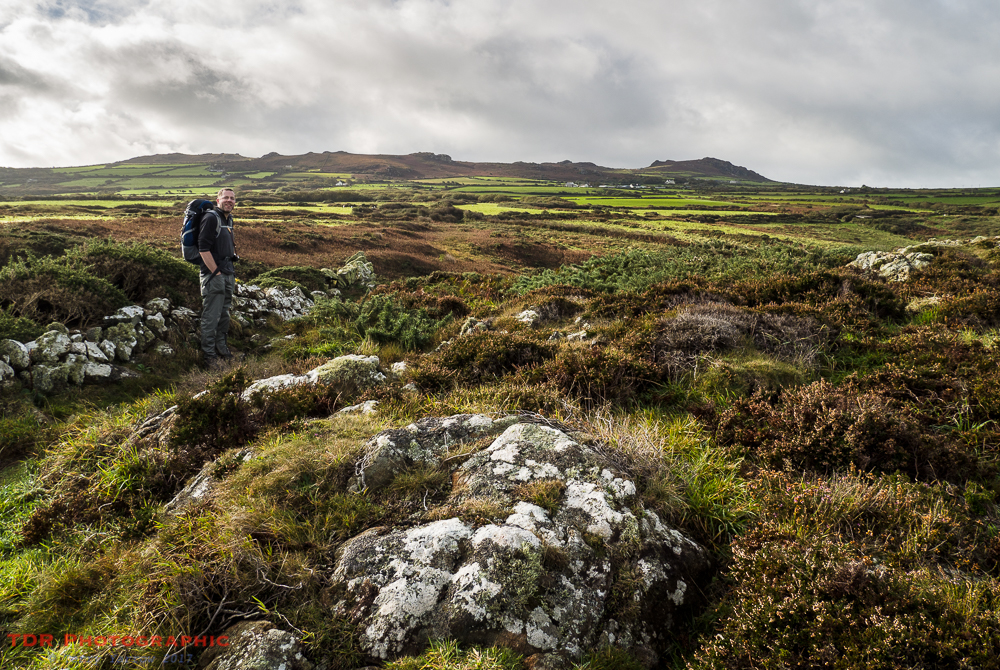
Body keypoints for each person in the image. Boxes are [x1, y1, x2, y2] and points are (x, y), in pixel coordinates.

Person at [198, 187, 238, 368]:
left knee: (224, 316)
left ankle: (223, 351)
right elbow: (203, 249)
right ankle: (209, 357)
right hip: (214, 275)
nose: (229, 201)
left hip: (228, 273)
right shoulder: (211, 218)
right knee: (211, 316)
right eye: (226, 198)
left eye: (232, 198)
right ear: (218, 200)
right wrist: (216, 272)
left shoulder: (228, 219)